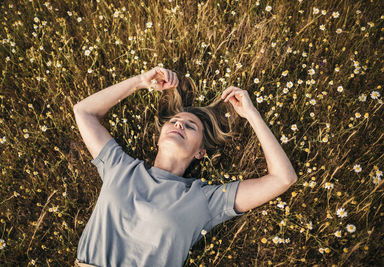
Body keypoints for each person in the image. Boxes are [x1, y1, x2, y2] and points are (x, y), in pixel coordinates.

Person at [73, 67, 298, 266]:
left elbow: (283, 178)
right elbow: (84, 112)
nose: (179, 123)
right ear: (158, 138)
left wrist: (251, 114)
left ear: (200, 152)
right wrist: (141, 81)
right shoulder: (119, 167)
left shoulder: (203, 199)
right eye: (173, 122)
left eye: (190, 127)